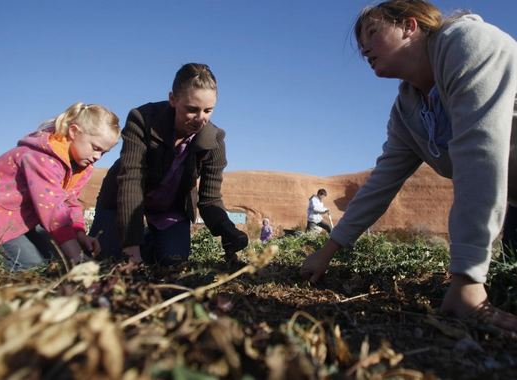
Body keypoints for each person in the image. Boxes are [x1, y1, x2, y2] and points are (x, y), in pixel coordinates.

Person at [301, 0, 517, 332]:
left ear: (410, 25)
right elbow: (380, 184)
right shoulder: (407, 110)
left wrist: (467, 279)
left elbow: (480, 152)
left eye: (372, 33)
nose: (364, 50)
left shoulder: (469, 43)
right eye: (360, 47)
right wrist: (327, 251)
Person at [90, 63, 248, 266]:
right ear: (173, 99)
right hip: (122, 201)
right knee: (108, 261)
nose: (201, 119)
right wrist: (131, 249)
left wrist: (227, 229)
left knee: (172, 263)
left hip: (170, 209)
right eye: (192, 109)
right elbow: (131, 181)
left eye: (208, 110)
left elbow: (209, 199)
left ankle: (149, 240)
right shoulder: (142, 120)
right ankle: (135, 240)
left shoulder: (213, 141)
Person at [0, 103, 121, 270]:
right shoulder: (40, 159)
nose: (97, 157)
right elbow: (53, 210)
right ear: (74, 131)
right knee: (32, 265)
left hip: (25, 220)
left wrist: (79, 234)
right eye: (96, 148)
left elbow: (70, 202)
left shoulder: (81, 168)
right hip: (2, 216)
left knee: (57, 259)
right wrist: (77, 256)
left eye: (104, 153)